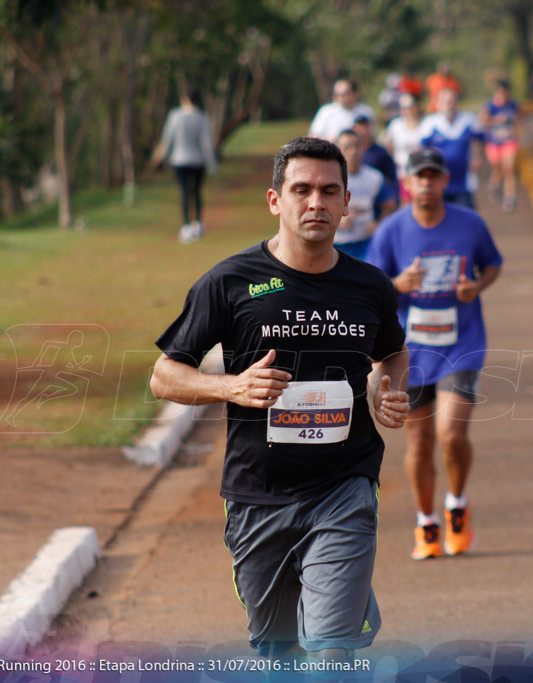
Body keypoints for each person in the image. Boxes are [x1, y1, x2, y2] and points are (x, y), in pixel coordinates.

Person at [150, 137, 410, 658]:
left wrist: (386, 388)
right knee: (279, 655)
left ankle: (339, 605)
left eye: (329, 191)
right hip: (257, 495)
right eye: (302, 190)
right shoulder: (229, 282)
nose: (316, 202)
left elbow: (394, 355)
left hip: (345, 486)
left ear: (345, 203)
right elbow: (164, 376)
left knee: (331, 651)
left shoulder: (370, 287)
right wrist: (232, 387)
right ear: (276, 200)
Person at [366, 147, 503, 561]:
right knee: (421, 443)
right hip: (411, 350)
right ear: (408, 183)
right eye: (419, 176)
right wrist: (397, 285)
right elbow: (373, 288)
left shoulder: (470, 225)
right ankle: (426, 521)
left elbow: (492, 264)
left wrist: (476, 288)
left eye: (434, 176)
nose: (427, 183)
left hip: (461, 346)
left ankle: (456, 506)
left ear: (445, 181)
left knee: (451, 434)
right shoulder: (390, 231)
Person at [150, 89, 218, 244]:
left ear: (185, 98)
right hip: (198, 161)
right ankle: (198, 224)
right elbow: (206, 143)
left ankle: (186, 226)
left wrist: (159, 158)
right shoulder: (201, 117)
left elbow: (167, 140)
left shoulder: (175, 116)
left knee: (185, 193)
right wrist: (212, 164)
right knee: (197, 192)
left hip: (179, 161)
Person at [334, 129, 396, 260]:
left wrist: (379, 225)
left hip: (365, 243)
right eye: (347, 147)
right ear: (338, 151)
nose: (353, 152)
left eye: (356, 146)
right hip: (336, 243)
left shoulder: (375, 177)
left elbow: (390, 206)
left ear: (363, 148)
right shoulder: (330, 177)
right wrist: (337, 221)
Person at [418, 88, 485, 209]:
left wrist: (477, 157)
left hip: (463, 182)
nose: (449, 105)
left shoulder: (469, 120)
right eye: (445, 101)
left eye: (452, 101)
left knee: (466, 217)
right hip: (438, 182)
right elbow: (421, 149)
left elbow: (481, 139)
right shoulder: (430, 123)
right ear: (438, 103)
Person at [480, 78, 520, 212]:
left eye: (505, 92)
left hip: (509, 141)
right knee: (498, 169)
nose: (502, 95)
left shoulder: (513, 105)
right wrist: (496, 120)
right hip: (493, 142)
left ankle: (510, 198)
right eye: (500, 92)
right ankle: (495, 185)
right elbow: (483, 121)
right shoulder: (490, 105)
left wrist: (519, 135)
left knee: (508, 169)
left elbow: (518, 121)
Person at [385, 93, 425, 205]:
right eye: (403, 107)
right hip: (402, 173)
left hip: (421, 172)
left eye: (410, 106)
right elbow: (389, 147)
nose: (407, 110)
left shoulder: (426, 124)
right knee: (405, 205)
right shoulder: (396, 125)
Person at [352, 114, 400, 205]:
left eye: (364, 127)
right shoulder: (347, 152)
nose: (362, 131)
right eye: (359, 128)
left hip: (376, 197)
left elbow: (392, 176)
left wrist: (394, 197)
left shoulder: (380, 152)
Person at [309, 79, 377, 142]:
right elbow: (313, 136)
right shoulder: (326, 112)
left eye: (344, 94)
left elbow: (374, 134)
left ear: (354, 94)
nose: (340, 97)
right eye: (337, 94)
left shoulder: (366, 111)